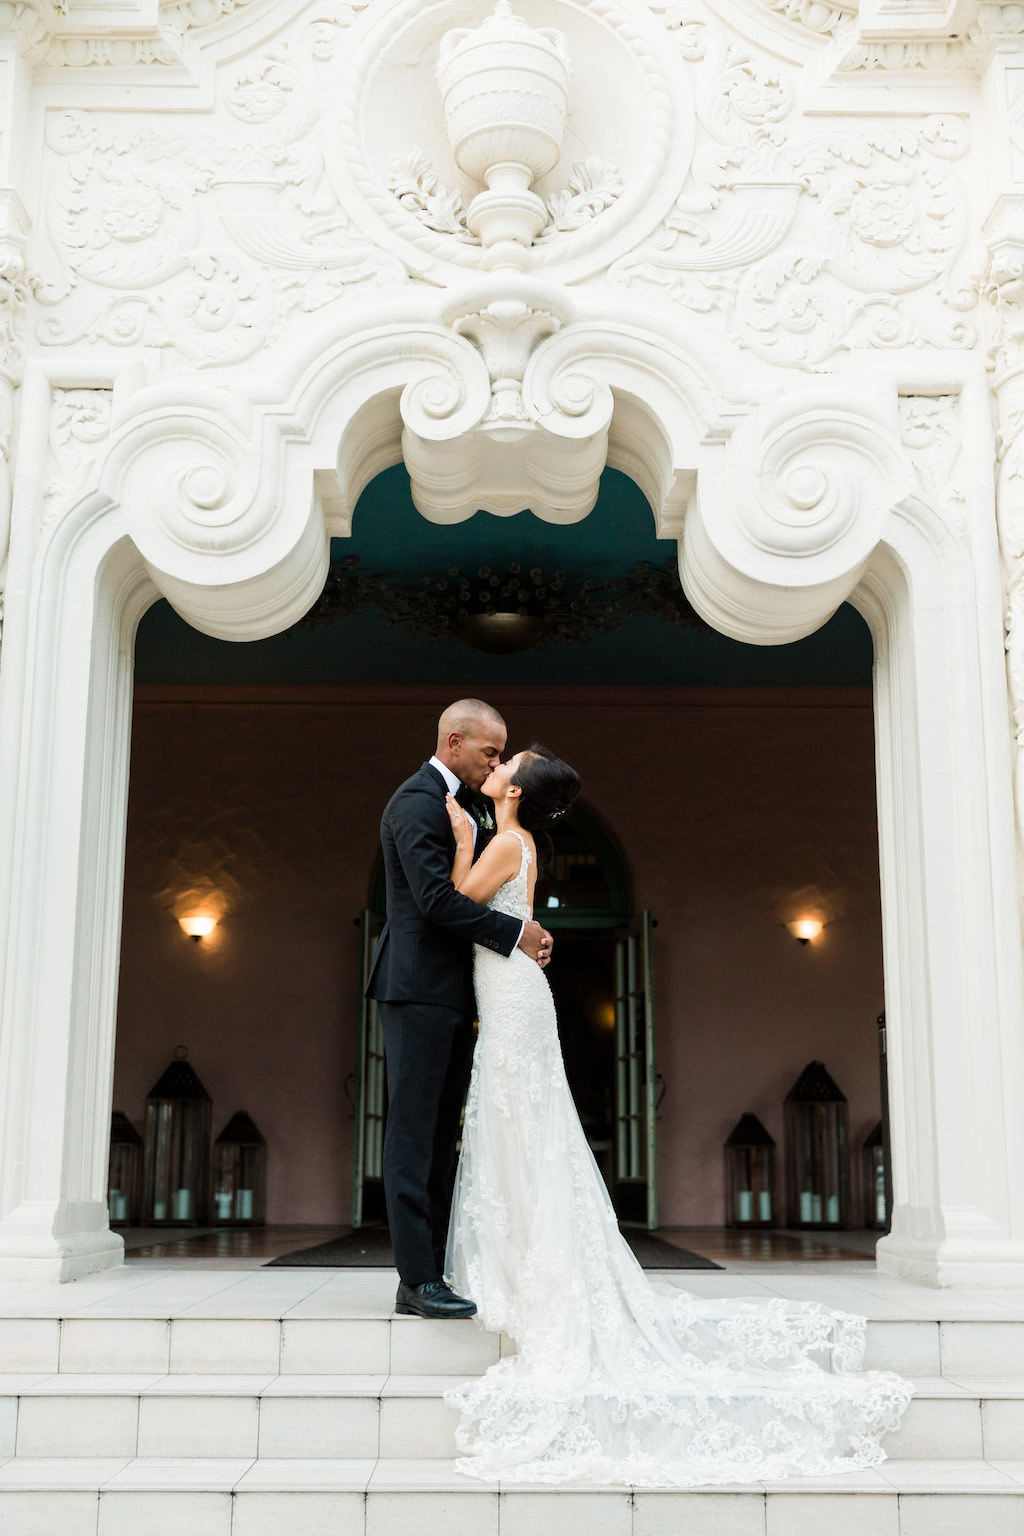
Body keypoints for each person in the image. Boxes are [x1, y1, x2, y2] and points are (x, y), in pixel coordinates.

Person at [440, 742, 913, 1488]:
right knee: (525, 1121)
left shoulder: (506, 840)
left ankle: (532, 1268)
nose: (498, 766)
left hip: (511, 993)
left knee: (521, 1117)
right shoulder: (520, 840)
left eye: (510, 762)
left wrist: (463, 842)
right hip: (515, 990)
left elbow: (459, 905)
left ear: (517, 791)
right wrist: (474, 843)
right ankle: (533, 1259)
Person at [366, 699, 554, 1321]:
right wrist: (515, 932)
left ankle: (434, 1268)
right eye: (490, 753)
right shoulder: (418, 801)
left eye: (501, 756)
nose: (495, 763)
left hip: (448, 994)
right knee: (414, 1135)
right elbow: (433, 902)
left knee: (441, 1134)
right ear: (454, 741)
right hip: (417, 988)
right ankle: (417, 1280)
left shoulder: (460, 806)